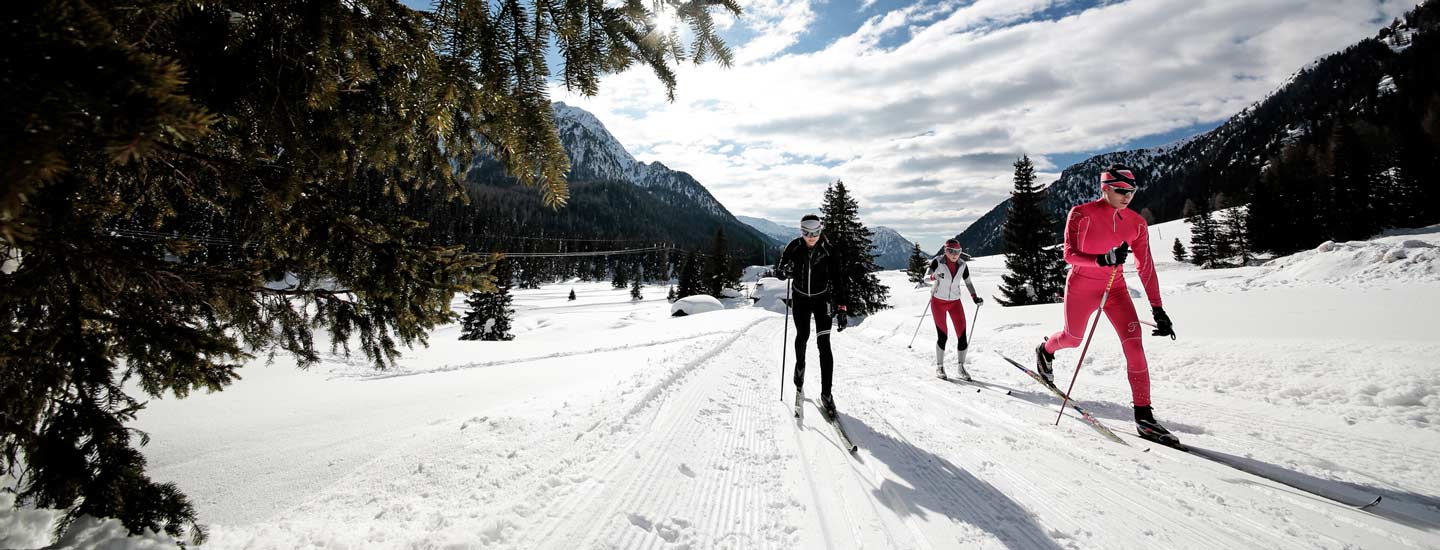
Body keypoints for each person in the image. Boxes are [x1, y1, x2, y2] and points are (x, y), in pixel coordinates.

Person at [1034, 163, 1180, 445]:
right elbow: (1069, 254)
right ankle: (1045, 350)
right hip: (1081, 286)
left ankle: (1144, 417)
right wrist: (1100, 259)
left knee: (1134, 344)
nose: (1127, 196)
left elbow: (1146, 267)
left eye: (1132, 191)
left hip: (1116, 289)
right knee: (1073, 338)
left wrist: (1158, 309)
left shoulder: (1137, 223)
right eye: (1120, 190)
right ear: (1105, 188)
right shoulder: (1081, 214)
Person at [775, 214, 849, 418]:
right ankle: (799, 371)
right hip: (800, 299)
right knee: (803, 336)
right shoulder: (794, 246)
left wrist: (842, 307)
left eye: (815, 232)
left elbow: (837, 279)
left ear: (820, 230)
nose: (811, 237)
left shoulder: (828, 251)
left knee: (824, 344)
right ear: (801, 231)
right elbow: (780, 269)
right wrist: (784, 271)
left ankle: (827, 394)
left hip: (821, 299)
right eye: (806, 232)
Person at [924, 238, 982, 381]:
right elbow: (925, 278)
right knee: (942, 335)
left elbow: (968, 282)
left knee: (962, 336)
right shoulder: (937, 261)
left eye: (958, 251)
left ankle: (961, 367)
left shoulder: (962, 265)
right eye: (951, 251)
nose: (955, 255)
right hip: (938, 302)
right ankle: (940, 366)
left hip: (955, 302)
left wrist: (975, 297)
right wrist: (934, 276)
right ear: (946, 251)